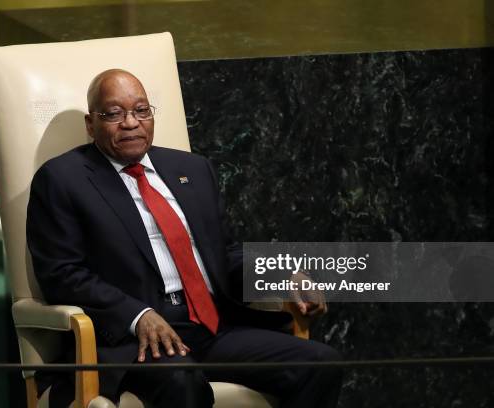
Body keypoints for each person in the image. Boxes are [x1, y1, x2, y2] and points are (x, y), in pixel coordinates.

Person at [26, 69, 342, 408]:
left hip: (213, 326)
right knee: (183, 382)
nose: (131, 123)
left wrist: (281, 275)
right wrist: (138, 315)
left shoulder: (192, 169)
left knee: (321, 364)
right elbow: (62, 273)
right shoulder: (62, 179)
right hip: (136, 341)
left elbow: (227, 254)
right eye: (114, 114)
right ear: (91, 124)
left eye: (141, 110)